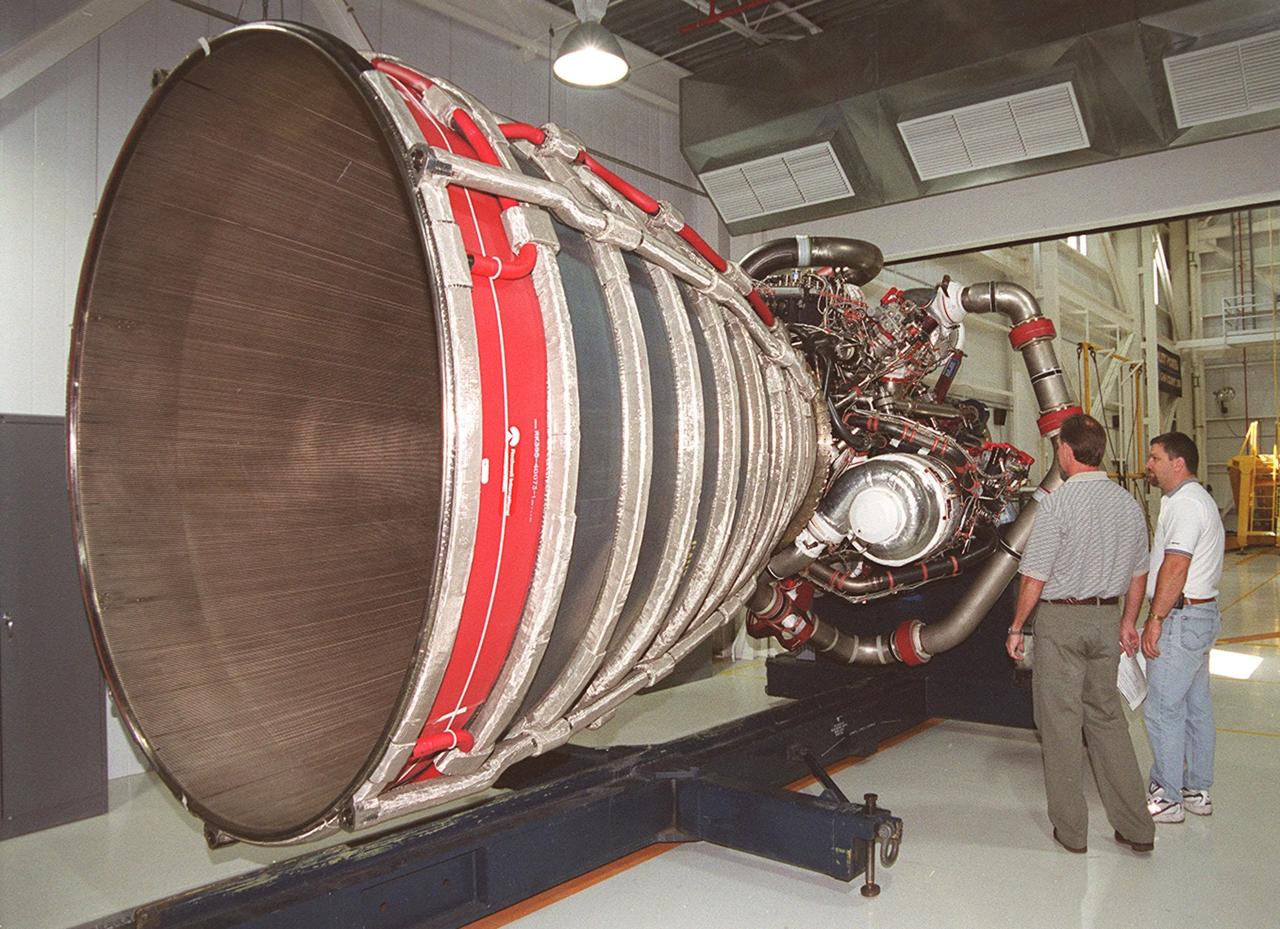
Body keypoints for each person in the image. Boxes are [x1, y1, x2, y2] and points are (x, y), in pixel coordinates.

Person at [1006, 413, 1155, 854]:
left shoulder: (1057, 504)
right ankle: (1136, 828)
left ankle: (1071, 832)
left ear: (1065, 451)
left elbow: (1034, 575)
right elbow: (1139, 574)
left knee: (1060, 723)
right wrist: (1127, 621)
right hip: (1107, 621)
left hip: (1062, 622)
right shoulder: (1128, 504)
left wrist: (1017, 626)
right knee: (1107, 719)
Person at [1141, 432, 1225, 824]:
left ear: (1178, 463)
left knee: (1162, 709)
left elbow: (1176, 566)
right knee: (1195, 708)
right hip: (1199, 616)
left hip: (1181, 618)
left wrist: (1155, 619)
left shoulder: (1186, 504)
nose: (1148, 465)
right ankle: (1196, 790)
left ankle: (1167, 797)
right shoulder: (1194, 500)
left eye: (1155, 458)